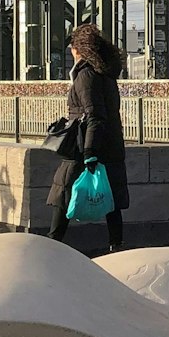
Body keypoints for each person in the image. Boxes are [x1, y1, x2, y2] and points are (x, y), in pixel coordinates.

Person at [47, 23, 131, 252]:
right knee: (110, 199)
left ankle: (52, 246)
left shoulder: (85, 74)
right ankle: (117, 246)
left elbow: (94, 114)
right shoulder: (106, 74)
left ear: (79, 49)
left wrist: (89, 153)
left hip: (86, 145)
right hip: (111, 144)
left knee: (63, 195)